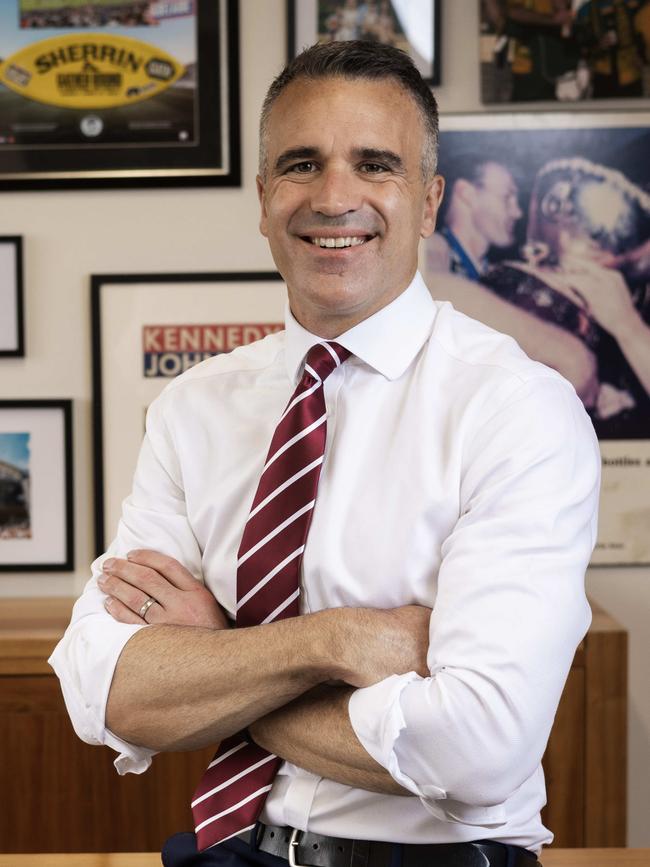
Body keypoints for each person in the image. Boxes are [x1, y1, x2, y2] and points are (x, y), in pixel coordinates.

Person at [50, 41, 600, 867]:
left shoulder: (516, 409)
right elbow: (106, 690)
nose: (334, 196)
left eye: (375, 164)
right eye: (302, 164)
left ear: (428, 201)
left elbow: (485, 746)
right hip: (227, 851)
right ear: (265, 196)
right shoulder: (191, 409)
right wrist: (335, 642)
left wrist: (217, 650)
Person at [425, 157, 523, 281]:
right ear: (467, 193)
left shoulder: (487, 269)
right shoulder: (433, 250)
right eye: (507, 197)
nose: (517, 213)